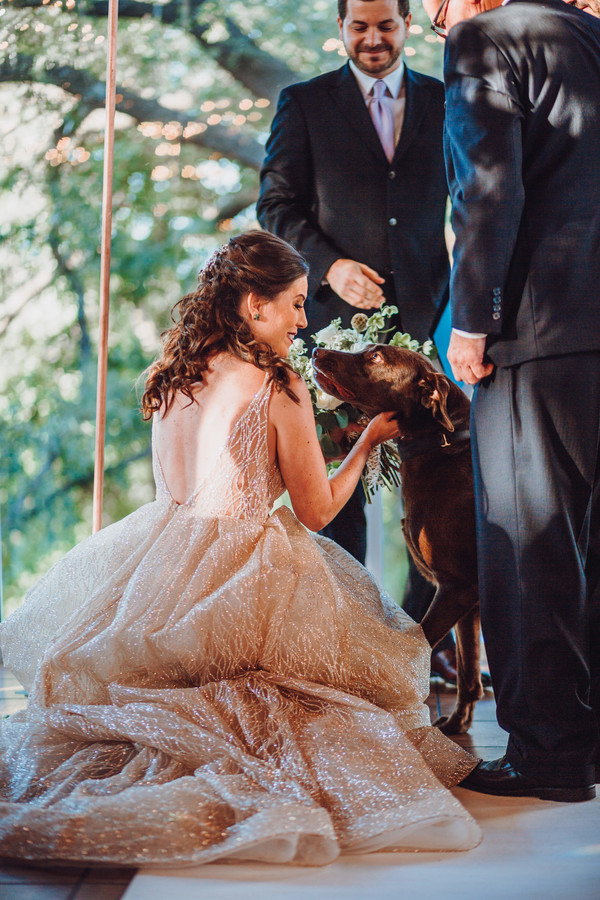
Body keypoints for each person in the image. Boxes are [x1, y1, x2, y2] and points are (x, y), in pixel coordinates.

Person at [0, 232, 481, 865]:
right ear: (255, 305)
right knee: (298, 706)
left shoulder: (173, 374)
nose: (305, 321)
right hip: (249, 569)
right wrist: (365, 443)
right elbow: (314, 512)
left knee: (181, 697)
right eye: (297, 305)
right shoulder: (278, 385)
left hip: (159, 564)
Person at [421, 0, 600, 801]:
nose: (435, 21)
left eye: (434, 7)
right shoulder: (591, 33)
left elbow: (489, 191)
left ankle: (551, 756)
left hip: (539, 325)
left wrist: (472, 321)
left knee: (529, 544)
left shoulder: (484, 39)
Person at [257, 0, 454, 669]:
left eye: (387, 25)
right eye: (359, 26)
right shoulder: (305, 103)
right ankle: (340, 641)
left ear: (406, 26)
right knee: (340, 487)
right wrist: (332, 267)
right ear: (341, 29)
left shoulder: (445, 98)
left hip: (434, 323)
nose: (373, 38)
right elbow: (275, 204)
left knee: (440, 482)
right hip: (339, 337)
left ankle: (425, 646)